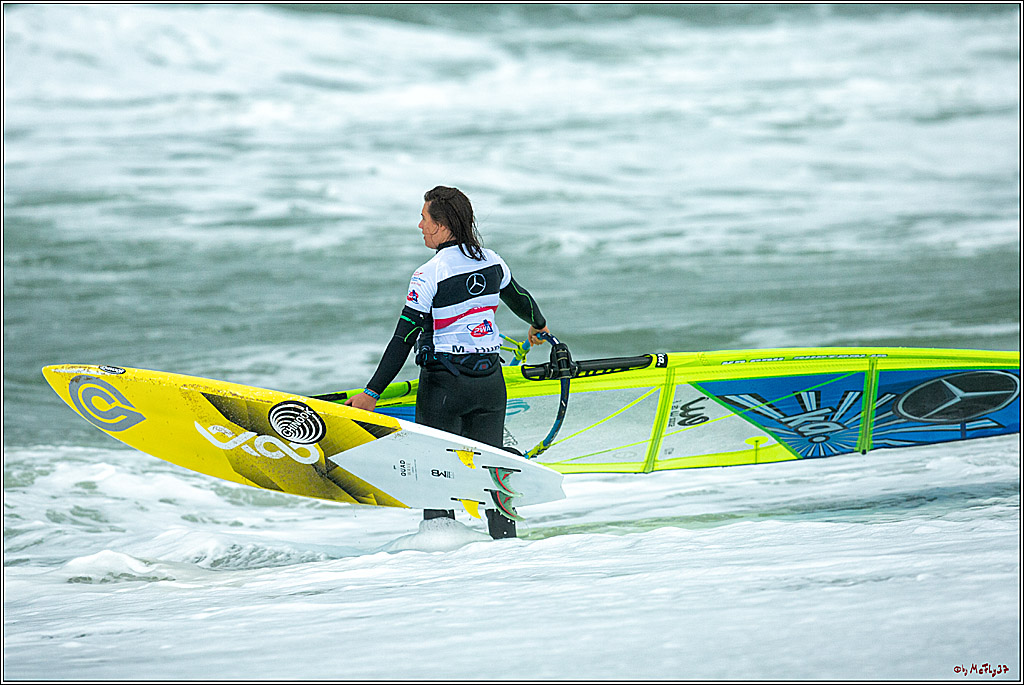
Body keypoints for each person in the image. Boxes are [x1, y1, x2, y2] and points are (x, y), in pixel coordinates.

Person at [346, 186, 551, 539]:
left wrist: (371, 392)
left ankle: (444, 567)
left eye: (424, 218)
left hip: (445, 387)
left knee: (436, 479)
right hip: (489, 384)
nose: (420, 225)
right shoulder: (492, 261)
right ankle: (509, 553)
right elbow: (520, 298)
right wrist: (540, 324)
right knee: (492, 474)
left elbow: (403, 338)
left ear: (443, 226)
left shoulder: (430, 273)